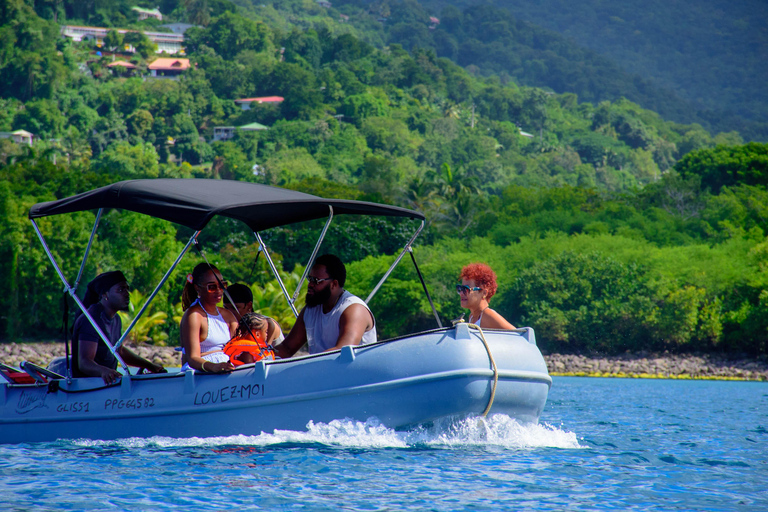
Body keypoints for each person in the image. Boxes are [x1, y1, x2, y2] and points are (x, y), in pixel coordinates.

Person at [72, 271, 165, 384]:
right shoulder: (91, 319)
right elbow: (84, 363)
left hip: (107, 385)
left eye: (127, 289)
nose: (127, 294)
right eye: (121, 290)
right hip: (87, 387)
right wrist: (104, 371)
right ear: (105, 295)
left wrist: (149, 366)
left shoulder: (116, 319)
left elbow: (118, 350)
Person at [275, 254, 376, 357]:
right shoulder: (311, 310)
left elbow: (342, 352)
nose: (310, 284)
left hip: (351, 372)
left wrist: (305, 366)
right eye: (309, 279)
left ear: (334, 284)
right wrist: (263, 356)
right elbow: (287, 348)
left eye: (316, 281)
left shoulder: (354, 309)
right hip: (321, 370)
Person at [179, 263, 239, 373]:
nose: (218, 290)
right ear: (198, 287)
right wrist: (214, 367)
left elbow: (238, 348)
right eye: (212, 287)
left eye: (222, 285)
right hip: (201, 372)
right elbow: (192, 358)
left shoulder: (228, 315)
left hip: (227, 368)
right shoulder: (193, 316)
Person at [457, 263, 515, 330]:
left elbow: (519, 336)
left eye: (466, 289)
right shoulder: (472, 317)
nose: (461, 293)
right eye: (460, 288)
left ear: (484, 293)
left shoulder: (487, 315)